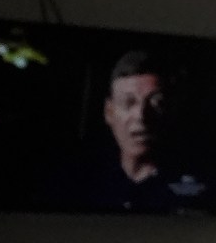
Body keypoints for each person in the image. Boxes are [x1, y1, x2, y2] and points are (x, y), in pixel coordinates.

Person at [82, 49, 207, 211]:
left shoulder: (197, 189)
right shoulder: (83, 182)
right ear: (109, 112)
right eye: (128, 102)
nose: (141, 115)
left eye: (157, 103)